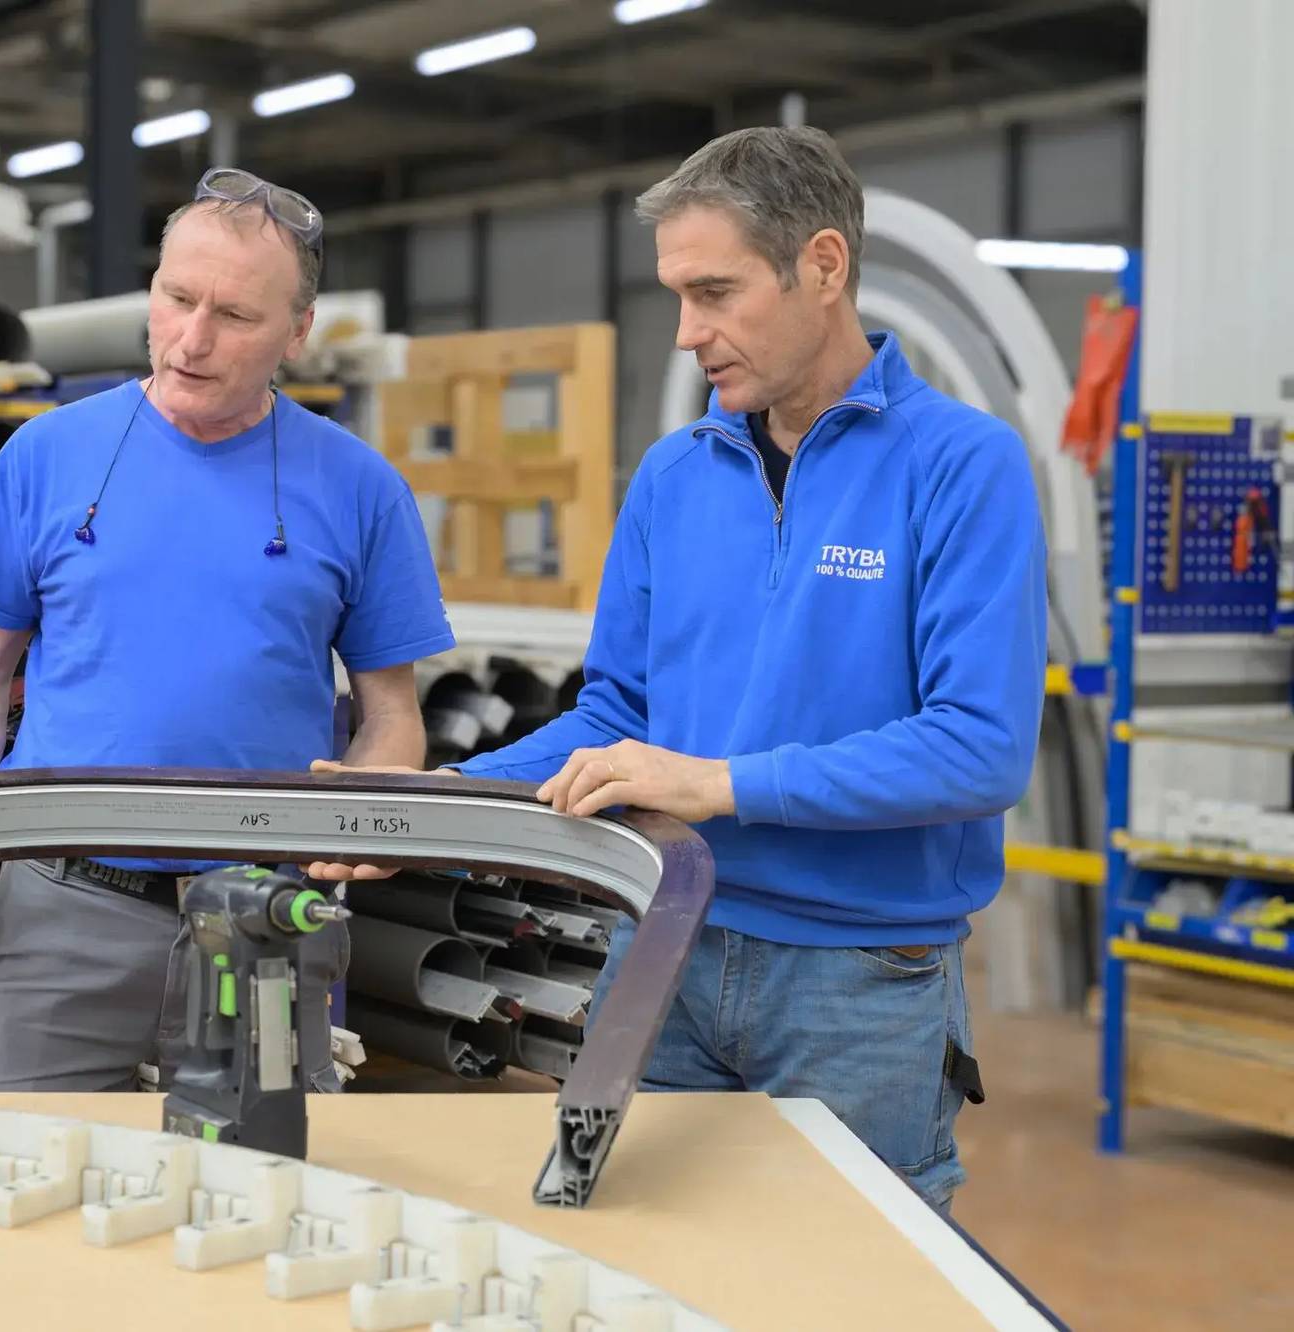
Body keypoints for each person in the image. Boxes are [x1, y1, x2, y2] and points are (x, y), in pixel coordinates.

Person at [313, 126, 1044, 1212]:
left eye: (715, 292)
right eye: (677, 295)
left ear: (824, 266)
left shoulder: (959, 468)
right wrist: (437, 805)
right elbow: (614, 714)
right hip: (661, 946)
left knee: (850, 1285)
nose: (688, 333)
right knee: (631, 1262)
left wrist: (715, 783)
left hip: (859, 987)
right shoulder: (672, 476)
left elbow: (976, 749)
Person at [0, 167, 456, 1093]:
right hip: (62, 913)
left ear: (297, 332)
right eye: (176, 300)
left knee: (268, 1205)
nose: (192, 340)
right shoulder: (46, 456)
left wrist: (367, 804)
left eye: (236, 317)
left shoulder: (360, 487)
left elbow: (390, 712)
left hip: (265, 918)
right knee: (10, 1189)